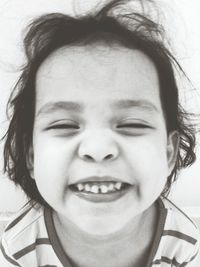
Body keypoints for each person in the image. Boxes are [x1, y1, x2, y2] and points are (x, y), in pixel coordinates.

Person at [0, 0, 199, 266]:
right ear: (31, 156)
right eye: (63, 125)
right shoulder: (19, 247)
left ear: (169, 153)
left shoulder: (184, 243)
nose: (97, 148)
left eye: (133, 124)